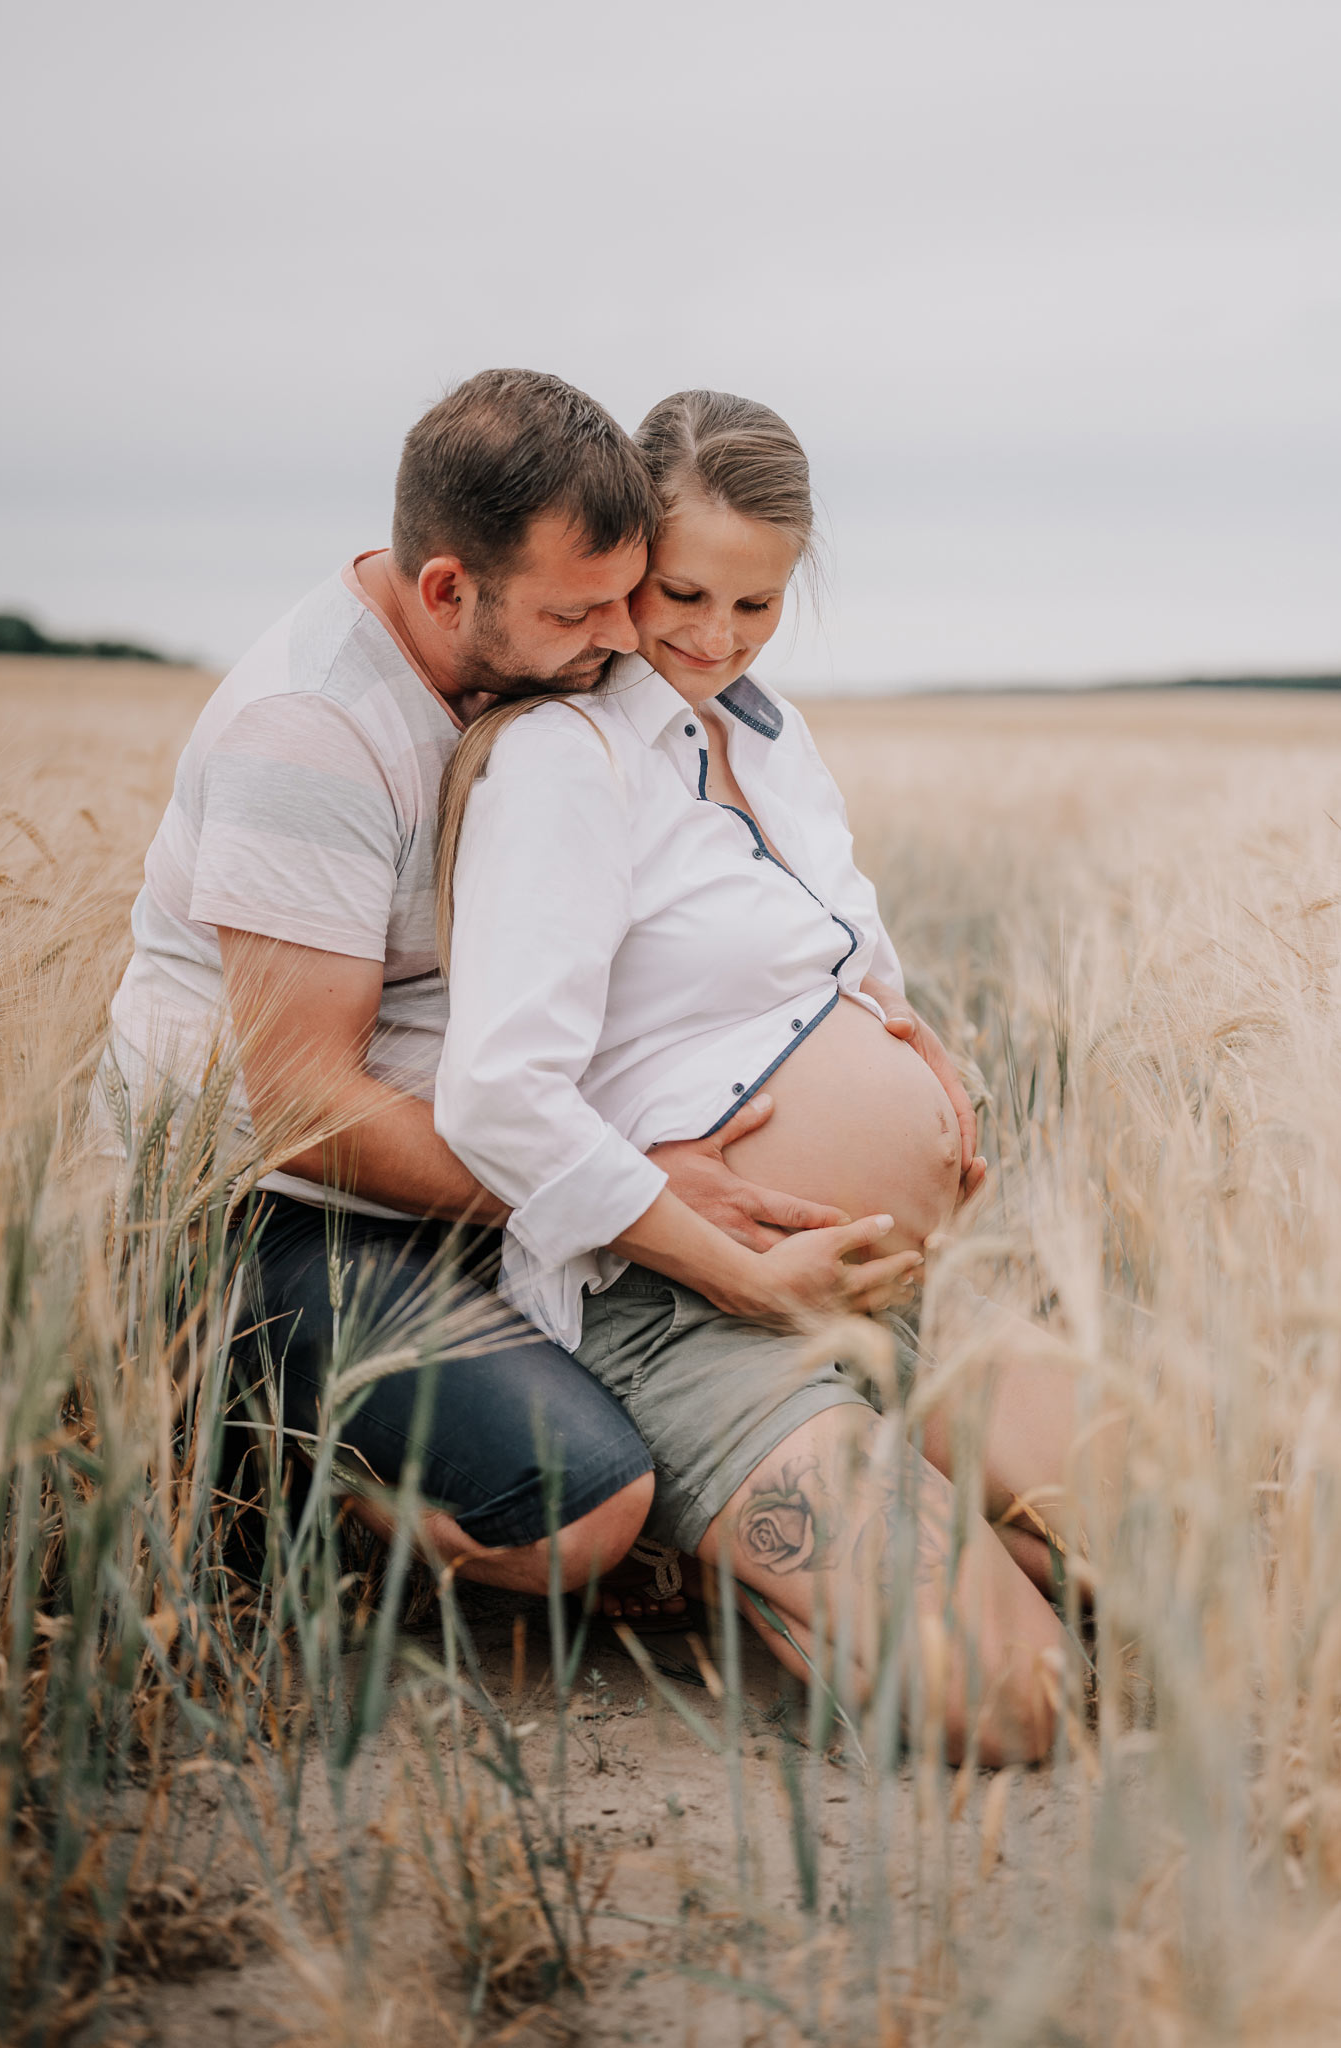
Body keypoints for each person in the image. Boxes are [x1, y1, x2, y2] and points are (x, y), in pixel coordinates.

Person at [100, 370, 859, 1608]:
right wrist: (624, 1196)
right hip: (274, 1216)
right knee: (583, 1508)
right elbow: (304, 1107)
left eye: (626, 596)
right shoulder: (314, 731)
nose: (623, 640)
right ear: (449, 588)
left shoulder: (525, 673)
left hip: (465, 1179)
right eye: (578, 612)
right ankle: (264, 1459)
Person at [433, 391, 1079, 1762]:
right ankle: (734, 1557)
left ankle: (901, 1492)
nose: (714, 638)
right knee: (1019, 1698)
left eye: (757, 605)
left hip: (895, 1282)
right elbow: (494, 1093)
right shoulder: (564, 763)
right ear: (624, 559)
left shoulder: (770, 738)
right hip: (691, 1310)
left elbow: (849, 965)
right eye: (681, 593)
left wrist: (923, 1076)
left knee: (1181, 1548)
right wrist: (742, 1272)